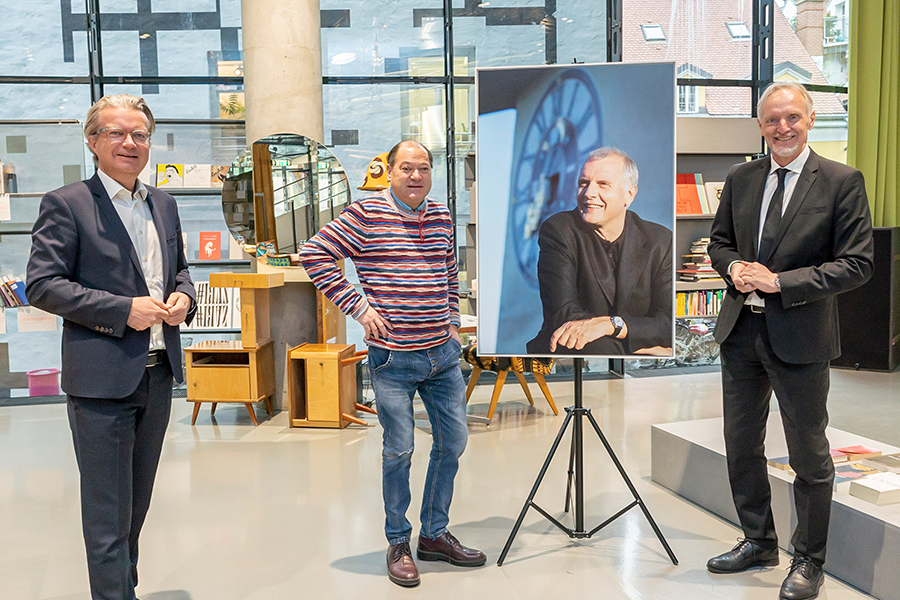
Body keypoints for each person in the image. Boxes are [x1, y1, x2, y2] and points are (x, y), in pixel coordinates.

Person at [706, 81, 874, 600]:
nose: (782, 128)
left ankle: (809, 560)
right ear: (760, 125)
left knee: (808, 455)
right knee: (741, 448)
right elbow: (718, 243)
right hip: (741, 334)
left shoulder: (842, 181)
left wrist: (781, 282)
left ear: (810, 120)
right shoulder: (740, 178)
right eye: (772, 119)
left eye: (792, 118)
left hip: (800, 336)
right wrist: (733, 266)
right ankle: (758, 541)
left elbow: (858, 264)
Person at [26, 94, 196, 600]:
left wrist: (184, 294)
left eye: (139, 135)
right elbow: (43, 285)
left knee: (135, 509)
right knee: (107, 519)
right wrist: (124, 309)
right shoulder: (67, 203)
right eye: (116, 133)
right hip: (101, 381)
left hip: (157, 374)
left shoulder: (162, 203)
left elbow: (180, 268)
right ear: (93, 141)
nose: (129, 143)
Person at [299, 140, 485, 587]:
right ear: (390, 170)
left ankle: (434, 536)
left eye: (424, 168)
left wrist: (455, 323)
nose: (416, 175)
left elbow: (447, 272)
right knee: (399, 450)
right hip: (393, 359)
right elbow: (313, 255)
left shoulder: (440, 215)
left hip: (442, 354)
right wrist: (360, 309)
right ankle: (398, 541)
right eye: (407, 167)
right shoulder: (365, 215)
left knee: (453, 444)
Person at [526, 147, 673, 356]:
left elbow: (667, 321)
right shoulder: (559, 230)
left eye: (603, 184)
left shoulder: (661, 240)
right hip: (572, 352)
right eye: (583, 183)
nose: (589, 193)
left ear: (629, 194)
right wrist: (638, 345)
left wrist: (611, 325)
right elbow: (563, 312)